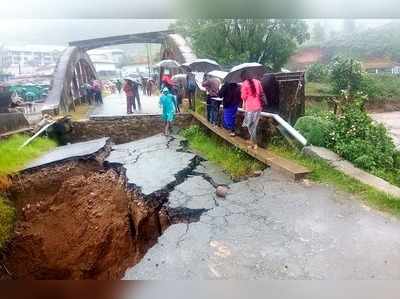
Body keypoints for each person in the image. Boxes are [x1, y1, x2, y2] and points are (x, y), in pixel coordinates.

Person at [240, 70, 264, 150]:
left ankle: (254, 143)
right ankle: (253, 143)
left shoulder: (245, 84)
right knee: (254, 125)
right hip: (258, 106)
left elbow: (243, 96)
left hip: (250, 107)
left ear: (244, 76)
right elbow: (261, 92)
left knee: (250, 126)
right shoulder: (257, 81)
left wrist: (243, 102)